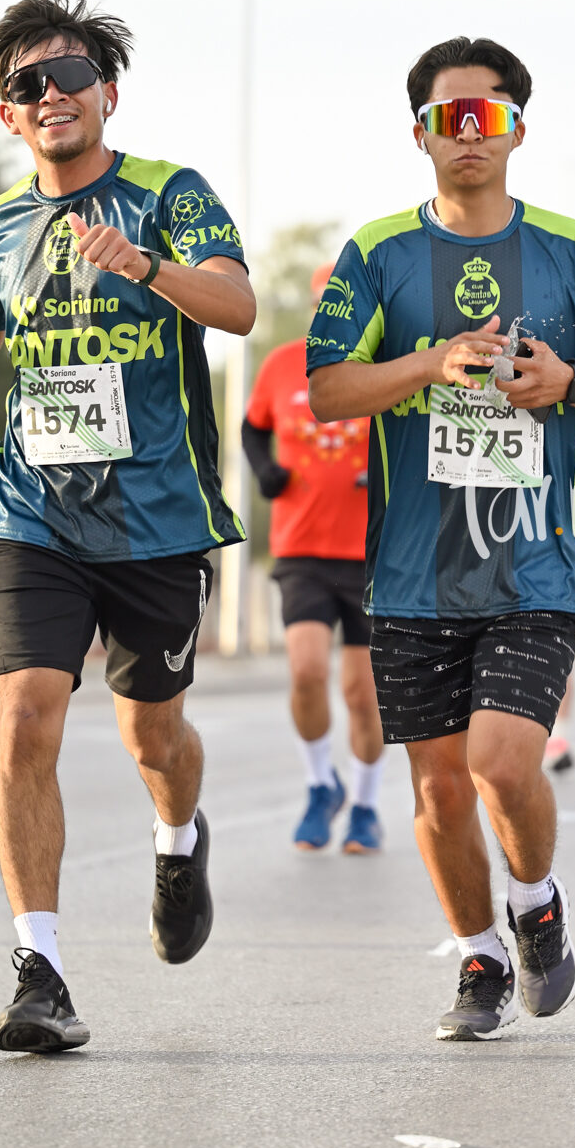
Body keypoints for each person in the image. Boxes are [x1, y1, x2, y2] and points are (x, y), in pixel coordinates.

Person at [305, 36, 575, 1041]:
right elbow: (328, 387)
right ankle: (479, 953)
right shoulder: (376, 253)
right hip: (412, 571)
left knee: (501, 762)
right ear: (419, 133)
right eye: (448, 118)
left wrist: (568, 383)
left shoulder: (572, 249)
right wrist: (428, 363)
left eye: (487, 116)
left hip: (534, 556)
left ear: (517, 130)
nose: (469, 134)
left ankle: (534, 901)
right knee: (439, 789)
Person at [0, 0, 254, 1053]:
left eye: (69, 73)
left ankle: (178, 835)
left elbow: (237, 306)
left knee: (152, 734)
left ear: (106, 92)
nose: (51, 94)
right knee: (26, 715)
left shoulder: (169, 194)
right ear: (9, 115)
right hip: (35, 513)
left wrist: (146, 266)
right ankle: (41, 970)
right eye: (27, 84)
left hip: (158, 520)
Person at [242, 265, 385, 852]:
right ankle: (321, 783)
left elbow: (410, 442)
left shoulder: (381, 369)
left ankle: (365, 806)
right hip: (301, 547)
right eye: (324, 302)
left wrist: (380, 477)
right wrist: (265, 472)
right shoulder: (283, 364)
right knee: (305, 671)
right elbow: (253, 430)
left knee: (362, 695)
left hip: (371, 555)